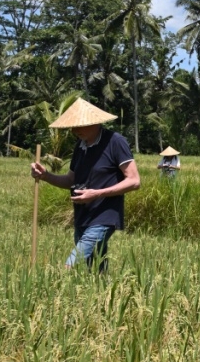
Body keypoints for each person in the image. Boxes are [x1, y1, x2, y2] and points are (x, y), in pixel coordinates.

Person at [29, 98, 140, 272]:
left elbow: (134, 181)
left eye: (79, 125)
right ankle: (103, 294)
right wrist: (45, 176)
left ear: (94, 123)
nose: (74, 130)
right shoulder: (80, 147)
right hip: (82, 217)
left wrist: (96, 194)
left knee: (72, 263)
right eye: (72, 126)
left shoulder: (115, 142)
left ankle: (50, 286)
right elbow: (70, 181)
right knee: (95, 269)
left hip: (104, 216)